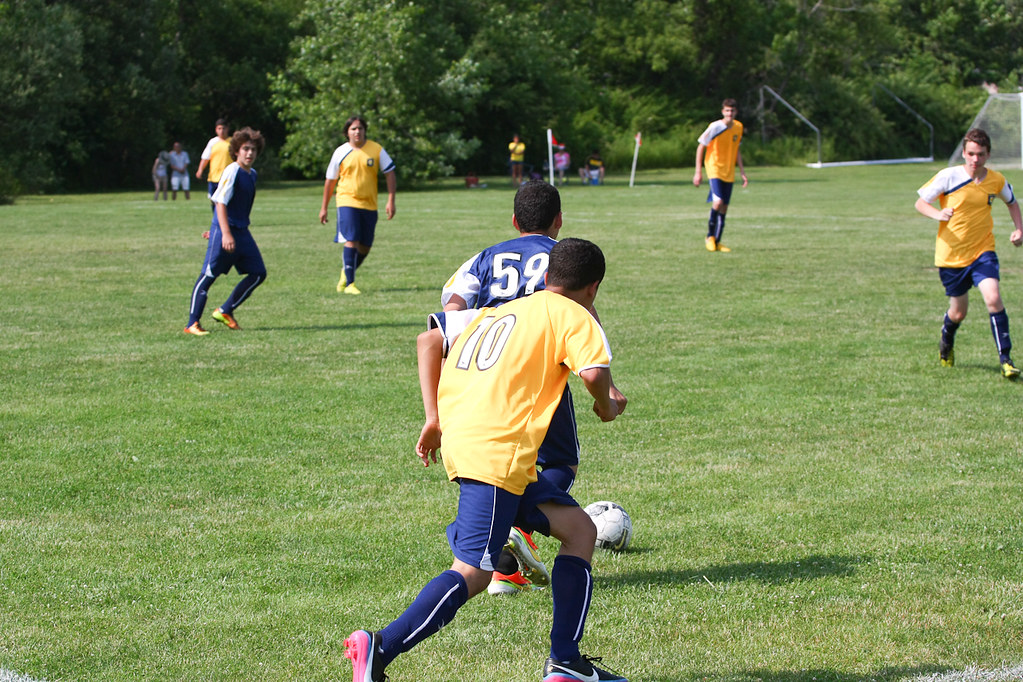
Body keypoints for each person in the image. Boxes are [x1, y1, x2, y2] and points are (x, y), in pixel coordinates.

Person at [344, 237, 628, 682]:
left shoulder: (499, 310)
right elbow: (593, 374)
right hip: (497, 453)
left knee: (579, 530)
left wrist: (433, 418)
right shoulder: (574, 313)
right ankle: (380, 646)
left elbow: (429, 340)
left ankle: (567, 662)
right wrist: (608, 405)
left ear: (549, 276)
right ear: (593, 289)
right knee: (474, 572)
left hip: (475, 443)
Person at [439, 180, 626, 595]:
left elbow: (452, 310)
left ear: (513, 219)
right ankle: (512, 530)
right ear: (559, 220)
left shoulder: (484, 257)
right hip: (542, 378)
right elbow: (582, 315)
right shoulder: (559, 259)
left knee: (500, 468)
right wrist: (607, 388)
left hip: (484, 377)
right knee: (563, 462)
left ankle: (502, 563)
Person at [914, 127, 1023, 378]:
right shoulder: (948, 177)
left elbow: (1012, 202)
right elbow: (921, 202)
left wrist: (1019, 229)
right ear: (963, 153)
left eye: (981, 154)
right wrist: (937, 214)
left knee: (993, 298)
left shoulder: (996, 180)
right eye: (971, 153)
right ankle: (946, 339)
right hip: (951, 256)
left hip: (983, 251)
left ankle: (1006, 360)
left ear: (988, 155)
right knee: (958, 312)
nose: (976, 159)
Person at [184, 128, 267, 336]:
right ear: (236, 151)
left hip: (241, 231)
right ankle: (192, 323)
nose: (249, 153)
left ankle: (225, 310)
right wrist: (223, 232)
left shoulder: (252, 174)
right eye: (245, 149)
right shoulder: (233, 170)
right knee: (208, 276)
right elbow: (220, 201)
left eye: (253, 150)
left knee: (258, 273)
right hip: (227, 231)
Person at [318, 115, 396, 295]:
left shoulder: (376, 149)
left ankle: (346, 271)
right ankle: (350, 284)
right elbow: (330, 181)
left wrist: (391, 199)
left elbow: (390, 172)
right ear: (347, 132)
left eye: (360, 128)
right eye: (353, 129)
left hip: (369, 204)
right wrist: (324, 207)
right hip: (347, 201)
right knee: (351, 239)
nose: (357, 132)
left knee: (365, 245)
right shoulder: (340, 152)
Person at [694, 98, 748, 252]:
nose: (729, 113)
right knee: (717, 202)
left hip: (729, 171)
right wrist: (698, 172)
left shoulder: (738, 127)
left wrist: (742, 172)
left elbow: (737, 149)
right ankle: (709, 237)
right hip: (714, 168)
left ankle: (717, 242)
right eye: (727, 111)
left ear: (736, 112)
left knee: (724, 207)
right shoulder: (715, 127)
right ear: (722, 112)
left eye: (732, 111)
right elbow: (701, 147)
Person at [196, 119, 233, 209]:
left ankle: (225, 219)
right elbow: (205, 158)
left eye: (223, 128)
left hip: (227, 177)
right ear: (216, 130)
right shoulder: (212, 142)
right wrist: (200, 170)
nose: (221, 131)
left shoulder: (232, 142)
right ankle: (216, 218)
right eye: (219, 128)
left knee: (226, 200)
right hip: (214, 177)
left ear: (227, 129)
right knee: (213, 199)